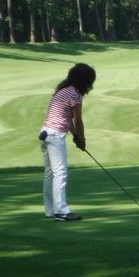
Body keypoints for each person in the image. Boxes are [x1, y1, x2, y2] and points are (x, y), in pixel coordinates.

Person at [38, 63, 96, 221]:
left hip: (45, 133)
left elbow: (67, 119)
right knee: (60, 173)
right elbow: (78, 120)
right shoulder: (75, 94)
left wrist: (76, 136)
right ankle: (62, 211)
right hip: (55, 136)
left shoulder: (62, 90)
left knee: (50, 174)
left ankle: (50, 210)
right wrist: (82, 139)